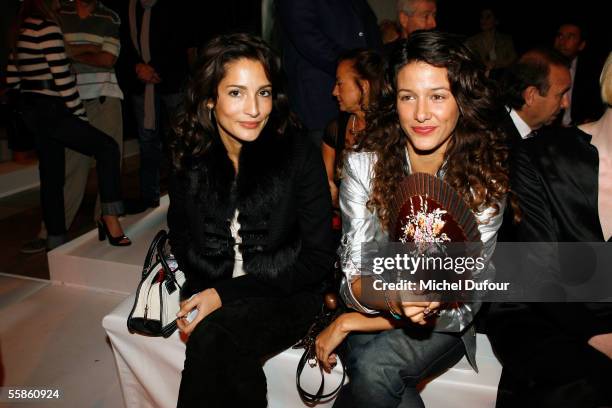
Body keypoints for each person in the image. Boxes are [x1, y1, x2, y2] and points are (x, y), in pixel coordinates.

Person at [315, 31, 509, 408]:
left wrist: (350, 322)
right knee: (372, 374)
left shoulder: (483, 178)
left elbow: (464, 299)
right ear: (394, 100)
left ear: (462, 100)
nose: (421, 114)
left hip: (446, 325)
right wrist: (390, 300)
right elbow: (352, 277)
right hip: (379, 304)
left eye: (437, 95)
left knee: (371, 368)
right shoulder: (364, 163)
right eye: (408, 97)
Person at [167, 33, 335, 407]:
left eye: (263, 92)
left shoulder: (296, 154)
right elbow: (179, 231)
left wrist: (222, 295)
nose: (255, 109)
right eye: (237, 93)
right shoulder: (191, 155)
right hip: (211, 285)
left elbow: (317, 259)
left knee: (216, 339)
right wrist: (204, 288)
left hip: (288, 291)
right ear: (210, 99)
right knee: (222, 347)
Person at [487, 52, 612, 408]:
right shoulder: (536, 153)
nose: (566, 103)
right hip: (537, 307)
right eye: (560, 93)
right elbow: (534, 270)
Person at [6, 0, 129, 249]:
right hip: (57, 107)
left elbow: (12, 76)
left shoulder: (21, 28)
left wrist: (27, 109)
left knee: (51, 175)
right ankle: (109, 218)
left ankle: (56, 236)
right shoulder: (52, 24)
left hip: (38, 110)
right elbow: (62, 77)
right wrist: (78, 115)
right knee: (106, 150)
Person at [277, 0, 382, 146]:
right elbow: (307, 38)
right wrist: (357, 67)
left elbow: (367, 23)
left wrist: (374, 67)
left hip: (362, 99)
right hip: (320, 99)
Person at [322, 48, 385, 208]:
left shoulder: (391, 131)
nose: (334, 91)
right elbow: (326, 188)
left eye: (340, 83)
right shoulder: (336, 129)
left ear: (364, 86)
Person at [553, 21, 605, 126]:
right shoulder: (541, 67)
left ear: (581, 45)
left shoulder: (593, 71)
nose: (562, 41)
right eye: (560, 36)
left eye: (570, 37)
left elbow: (597, 106)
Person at [465, 7, 516, 76]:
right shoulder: (472, 41)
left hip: (503, 79)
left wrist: (496, 64)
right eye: (482, 17)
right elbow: (467, 61)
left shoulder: (505, 40)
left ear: (496, 21)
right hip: (480, 78)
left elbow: (513, 59)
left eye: (488, 17)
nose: (483, 20)